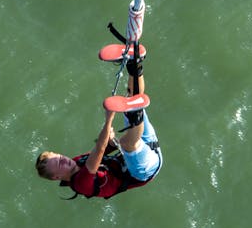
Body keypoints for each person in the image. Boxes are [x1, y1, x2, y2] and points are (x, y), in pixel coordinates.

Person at [35, 56, 161, 199]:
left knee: (130, 102)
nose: (64, 159)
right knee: (127, 142)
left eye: (59, 157)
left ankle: (135, 63)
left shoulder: (77, 161)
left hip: (147, 145)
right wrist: (109, 118)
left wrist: (112, 142)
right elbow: (99, 149)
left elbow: (104, 148)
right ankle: (135, 116)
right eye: (59, 163)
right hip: (143, 170)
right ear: (57, 177)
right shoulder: (81, 183)